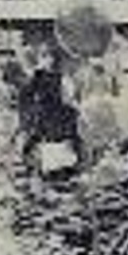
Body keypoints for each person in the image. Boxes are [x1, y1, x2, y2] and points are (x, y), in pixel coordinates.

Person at [17, 50, 81, 179]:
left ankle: (58, 168)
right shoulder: (37, 77)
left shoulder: (61, 78)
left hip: (55, 115)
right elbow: (25, 96)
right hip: (44, 116)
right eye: (46, 58)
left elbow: (68, 96)